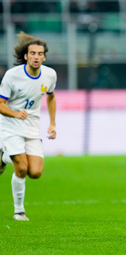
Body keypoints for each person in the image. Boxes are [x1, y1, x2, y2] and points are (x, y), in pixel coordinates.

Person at [0, 32, 57, 221]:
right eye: (32, 53)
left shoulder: (49, 75)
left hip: (31, 127)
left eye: (40, 54)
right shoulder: (12, 76)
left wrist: (52, 123)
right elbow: (0, 104)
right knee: (22, 168)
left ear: (44, 57)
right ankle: (19, 211)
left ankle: (3, 156)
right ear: (25, 56)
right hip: (10, 125)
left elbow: (51, 96)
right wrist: (15, 113)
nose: (36, 57)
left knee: (36, 172)